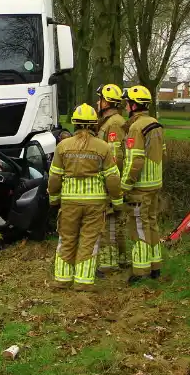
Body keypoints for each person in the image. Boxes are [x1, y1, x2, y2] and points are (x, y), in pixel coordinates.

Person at [48, 104, 122, 290]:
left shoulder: (63, 146)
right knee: (89, 239)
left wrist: (54, 199)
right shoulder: (103, 147)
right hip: (95, 203)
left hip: (70, 202)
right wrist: (117, 200)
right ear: (93, 124)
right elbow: (113, 178)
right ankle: (83, 281)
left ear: (75, 123)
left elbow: (55, 176)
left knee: (67, 238)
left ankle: (62, 279)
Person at [121, 85, 166, 284]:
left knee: (139, 227)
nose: (125, 106)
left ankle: (140, 271)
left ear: (133, 105)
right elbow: (163, 152)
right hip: (155, 184)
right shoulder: (155, 123)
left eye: (127, 103)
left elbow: (135, 160)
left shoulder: (135, 127)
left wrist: (124, 185)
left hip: (140, 188)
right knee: (152, 224)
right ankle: (155, 266)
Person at [95, 83, 128, 273]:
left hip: (111, 180)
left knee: (109, 222)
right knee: (116, 220)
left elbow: (116, 157)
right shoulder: (109, 122)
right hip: (111, 179)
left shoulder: (114, 123)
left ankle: (109, 264)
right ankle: (122, 260)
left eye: (100, 99)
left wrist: (111, 182)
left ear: (106, 102)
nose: (97, 102)